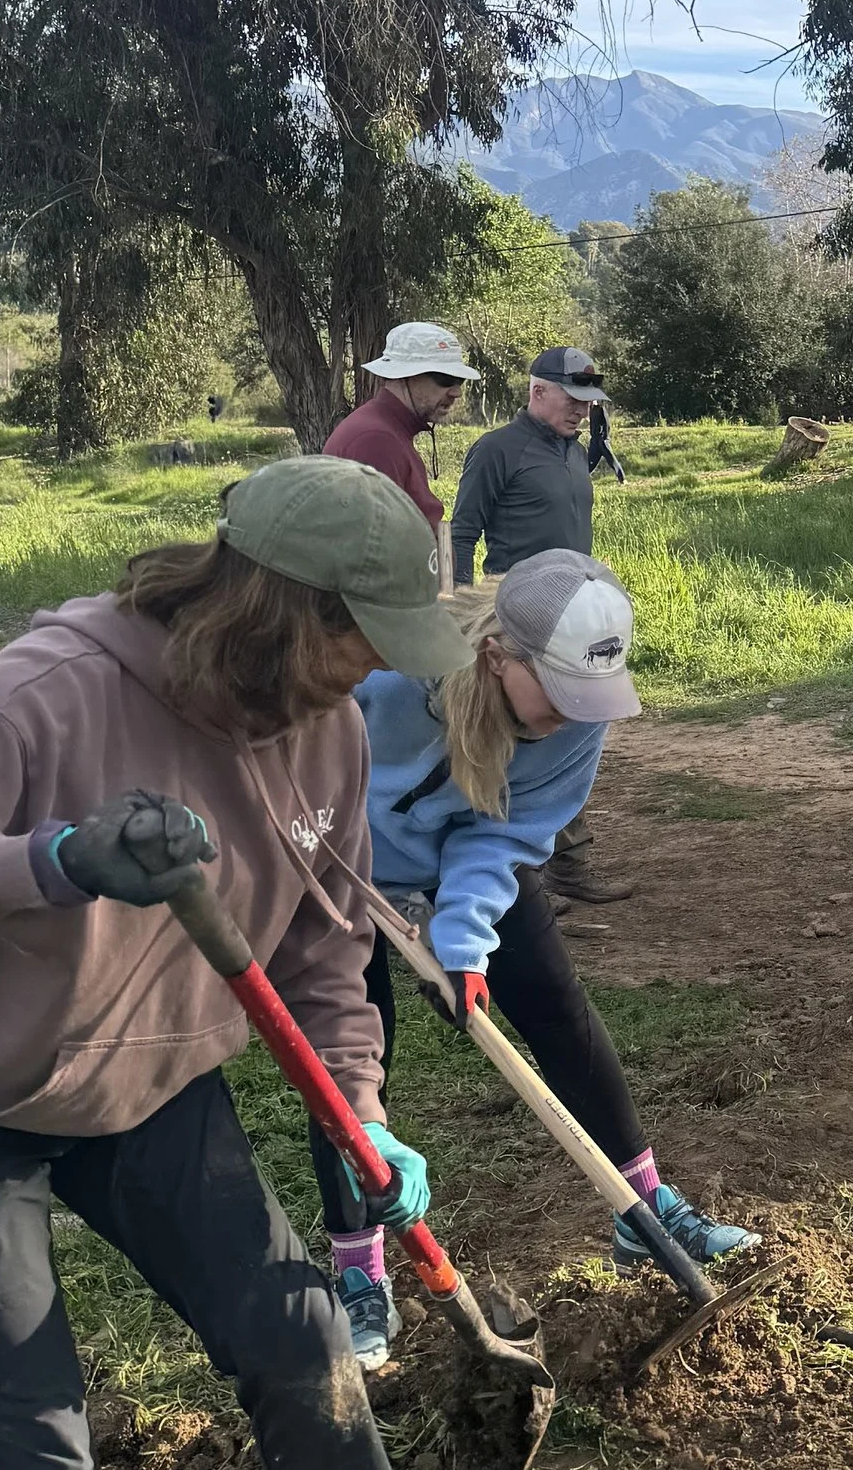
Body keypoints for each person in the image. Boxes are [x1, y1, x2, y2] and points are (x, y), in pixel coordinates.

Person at [0, 462, 550, 1470]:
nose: (370, 672)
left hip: (147, 1090)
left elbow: (324, 951)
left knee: (303, 1335)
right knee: (32, 1450)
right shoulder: (44, 694)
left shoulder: (325, 739)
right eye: (351, 637)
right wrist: (54, 860)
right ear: (264, 606)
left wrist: (361, 1108)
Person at [313, 551, 755, 1367]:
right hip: (347, 866)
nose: (574, 712)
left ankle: (643, 1209)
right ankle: (359, 1274)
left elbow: (509, 832)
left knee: (555, 1007)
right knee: (348, 1056)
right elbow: (318, 779)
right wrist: (354, 879)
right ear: (496, 655)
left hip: (475, 867)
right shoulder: (391, 676)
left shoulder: (579, 719)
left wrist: (463, 936)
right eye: (556, 689)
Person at [449, 349, 629, 904]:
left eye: (588, 401)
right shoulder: (497, 450)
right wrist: (457, 611)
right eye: (572, 399)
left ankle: (565, 864)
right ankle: (516, 873)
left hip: (573, 616)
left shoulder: (575, 452)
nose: (581, 410)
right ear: (537, 392)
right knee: (513, 738)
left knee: (572, 729)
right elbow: (461, 532)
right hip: (516, 623)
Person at [323, 321, 482, 535]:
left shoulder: (387, 430)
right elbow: (375, 547)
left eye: (459, 380)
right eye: (444, 379)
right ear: (404, 375)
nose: (456, 393)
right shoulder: (375, 440)